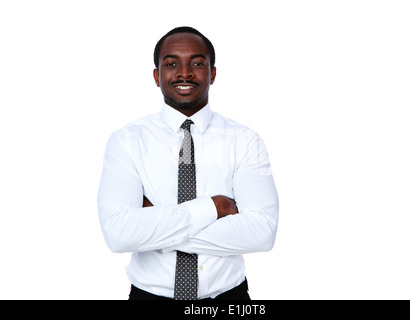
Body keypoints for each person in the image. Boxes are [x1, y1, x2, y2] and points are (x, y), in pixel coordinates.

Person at [97, 26, 279, 300]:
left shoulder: (244, 140)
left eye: (197, 63)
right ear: (157, 76)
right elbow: (119, 235)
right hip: (148, 297)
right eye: (172, 64)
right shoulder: (126, 142)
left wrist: (156, 229)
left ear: (213, 74)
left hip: (228, 299)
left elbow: (262, 233)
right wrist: (212, 208)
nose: (185, 73)